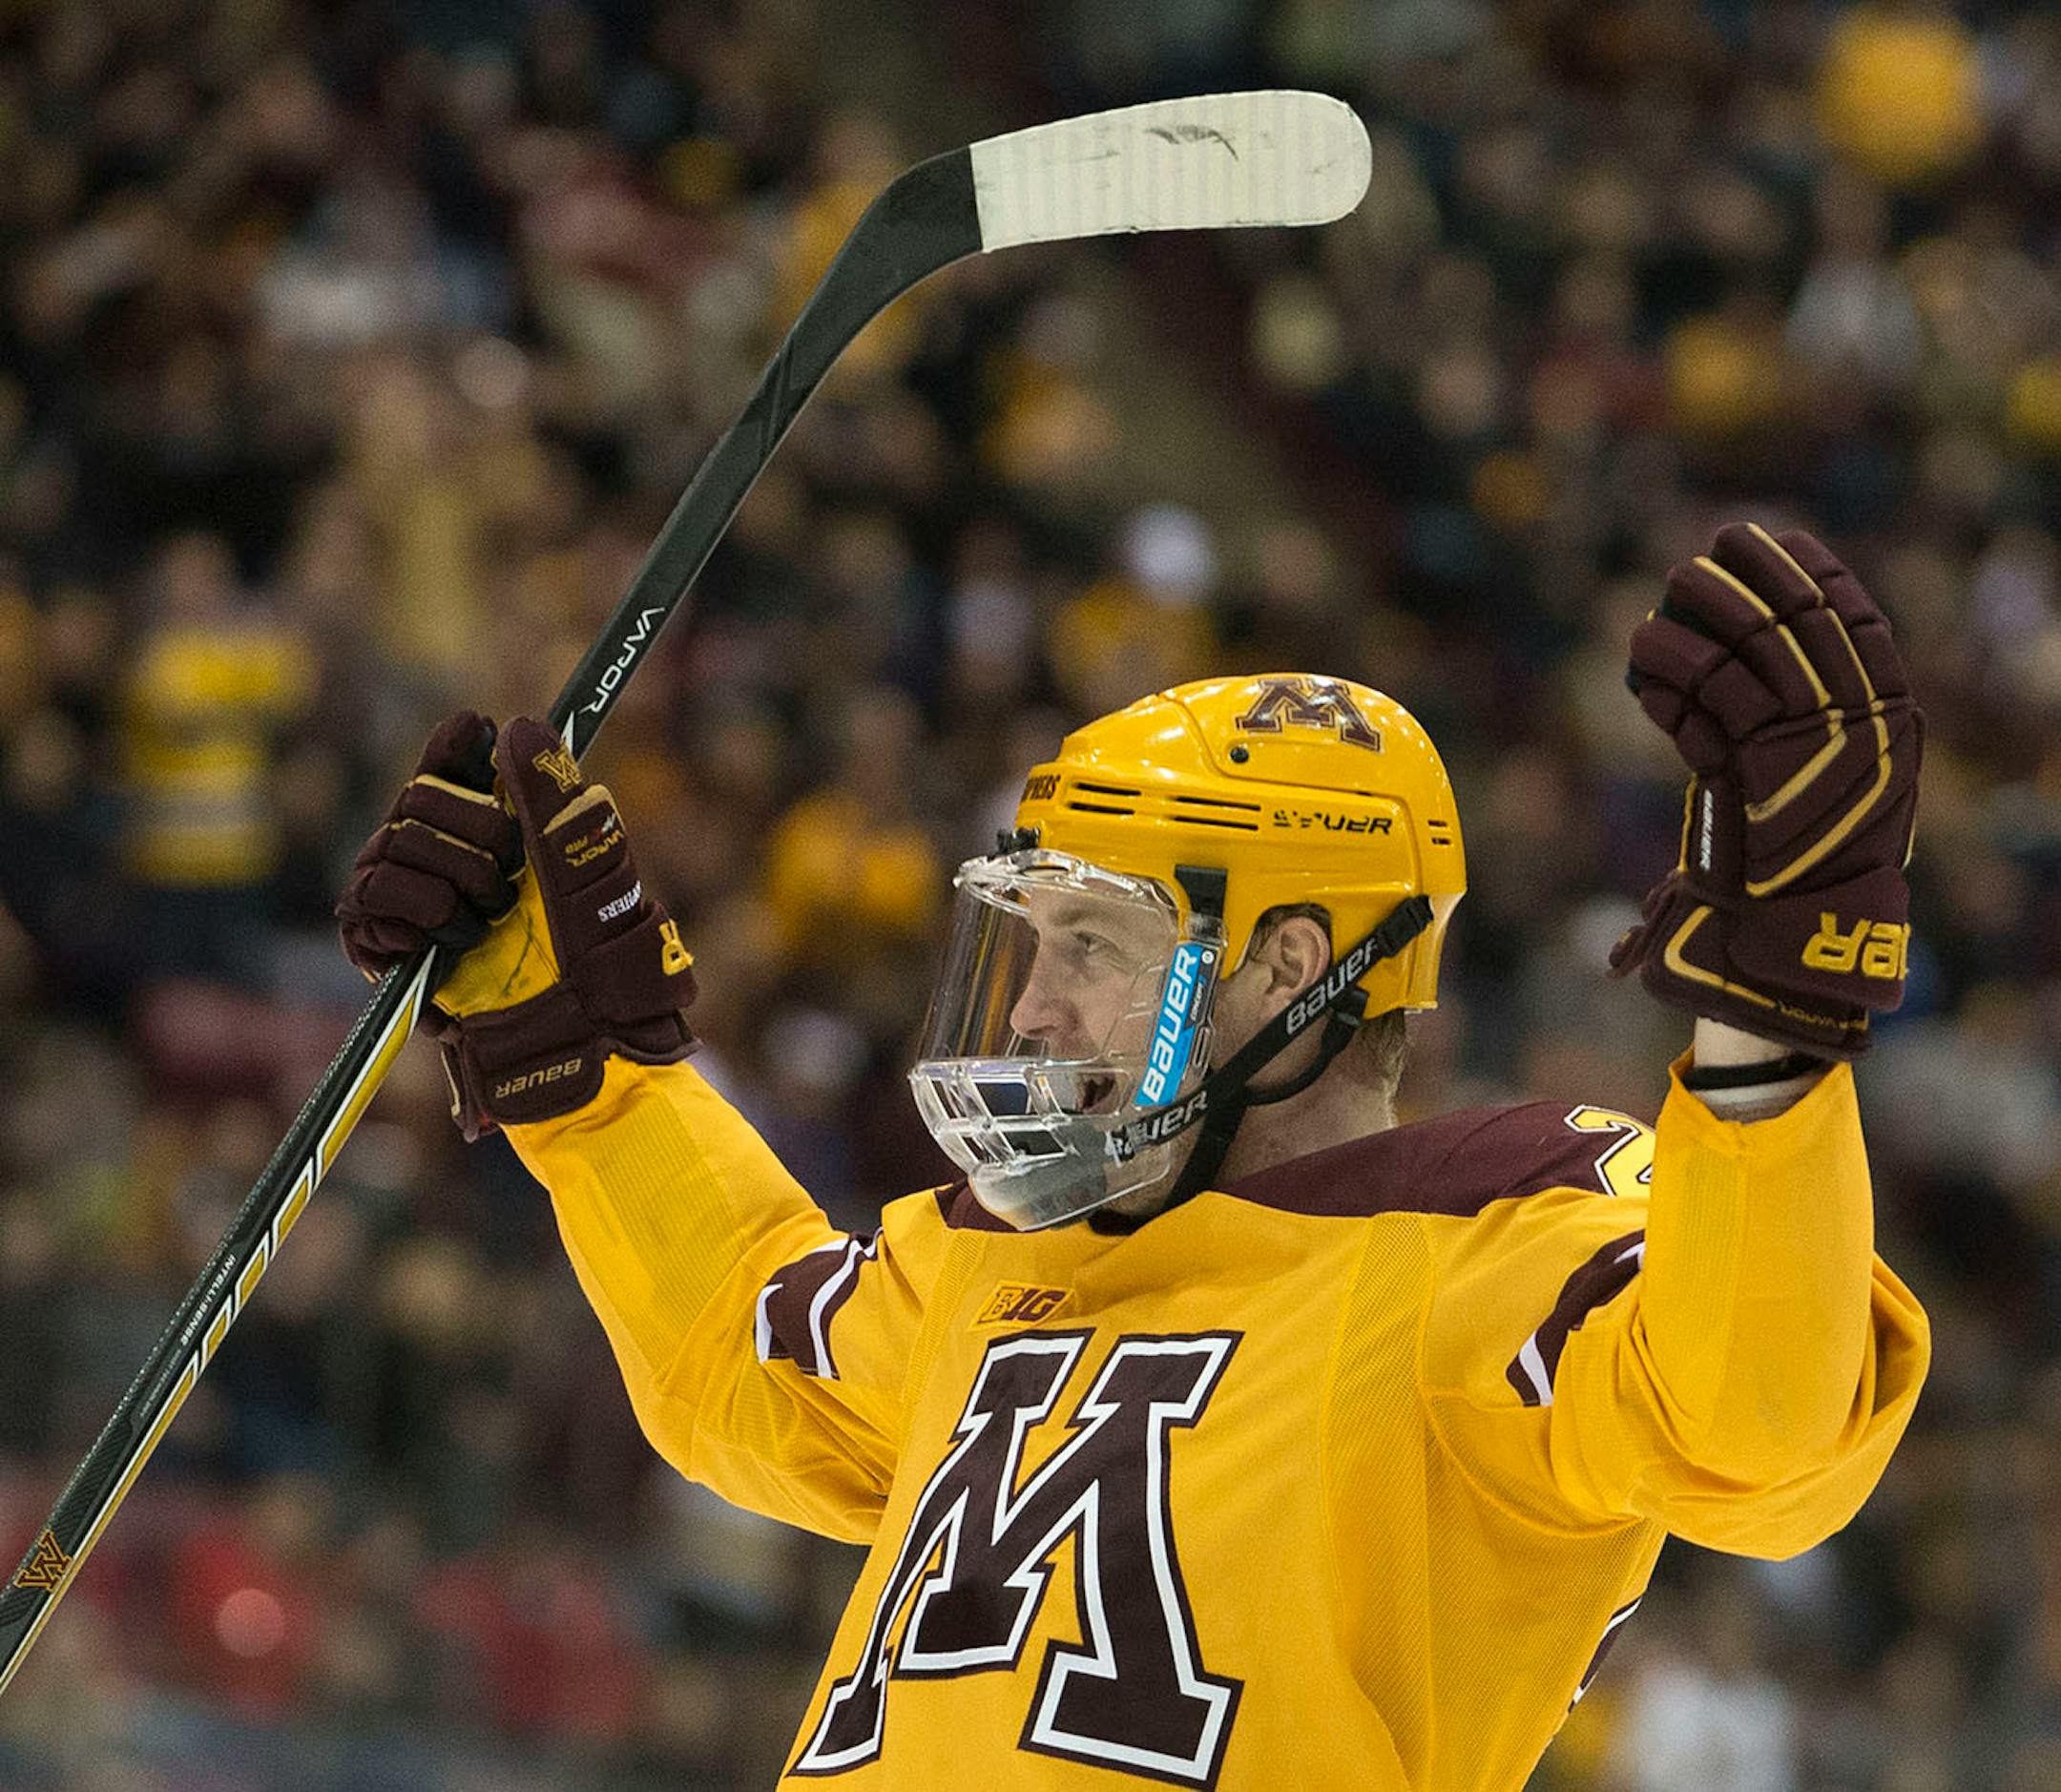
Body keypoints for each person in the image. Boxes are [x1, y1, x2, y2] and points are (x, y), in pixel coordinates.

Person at [336, 523, 1930, 1789]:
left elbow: (1757, 1431)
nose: (1030, 1006)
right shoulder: (993, 1259)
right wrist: (584, 1074)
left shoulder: (1497, 1238)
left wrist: (1774, 1026)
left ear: (1290, 966)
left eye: (1093, 944)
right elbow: (739, 1350)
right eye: (1028, 942)